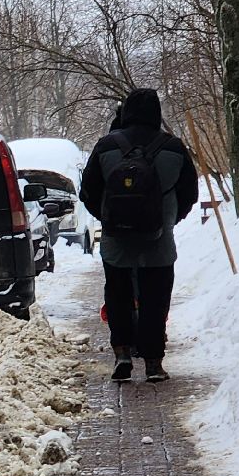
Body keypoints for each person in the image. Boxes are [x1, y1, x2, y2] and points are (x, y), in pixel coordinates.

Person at [78, 88, 199, 384]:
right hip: (159, 242)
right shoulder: (173, 147)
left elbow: (88, 192)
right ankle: (154, 363)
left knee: (117, 296)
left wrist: (109, 218)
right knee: (155, 300)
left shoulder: (106, 146)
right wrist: (169, 219)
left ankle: (122, 355)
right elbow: (190, 194)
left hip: (116, 243)